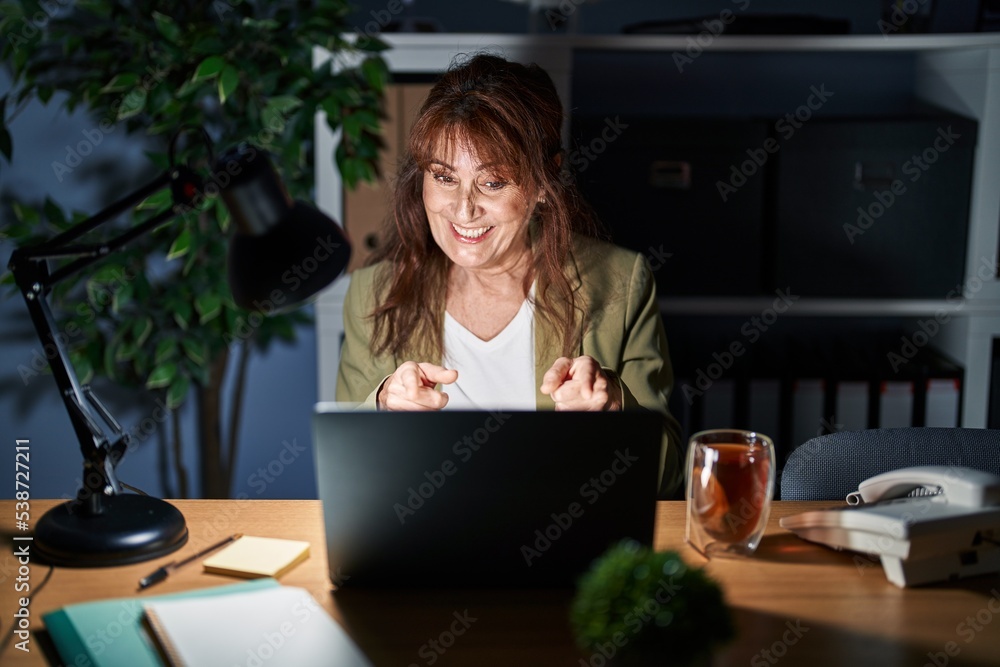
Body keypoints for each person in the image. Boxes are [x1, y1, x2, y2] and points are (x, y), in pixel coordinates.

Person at [336, 53, 683, 498]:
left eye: (493, 183)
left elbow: (668, 479)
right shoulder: (371, 293)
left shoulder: (621, 281)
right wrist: (382, 406)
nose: (463, 209)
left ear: (543, 183)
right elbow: (347, 483)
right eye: (443, 177)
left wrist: (616, 407)